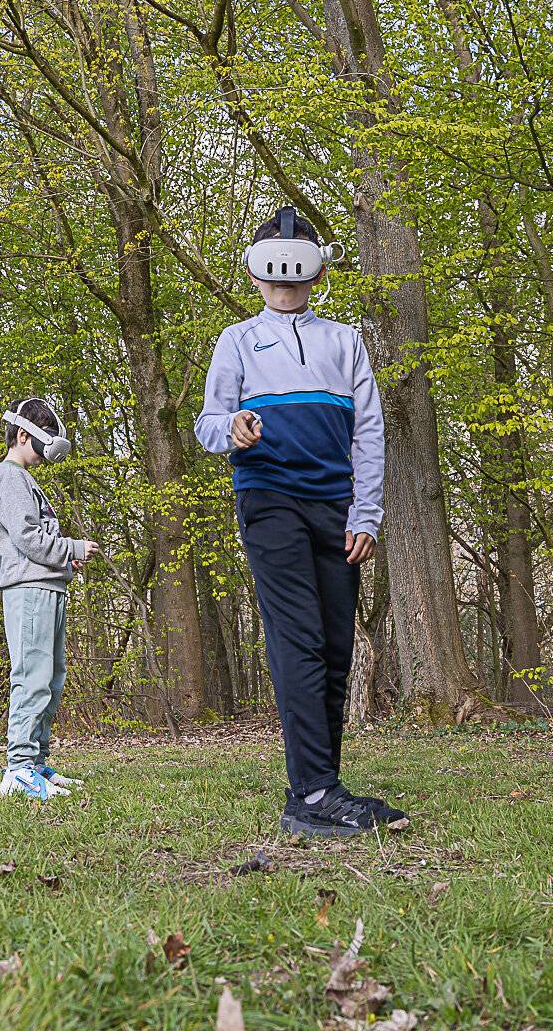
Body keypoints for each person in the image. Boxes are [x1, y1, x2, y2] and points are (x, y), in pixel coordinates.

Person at [196, 208, 406, 837]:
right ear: (258, 273)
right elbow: (208, 423)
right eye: (274, 268)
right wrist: (231, 429)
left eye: (297, 266)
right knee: (300, 640)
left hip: (337, 508)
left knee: (337, 645)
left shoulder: (345, 341)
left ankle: (322, 788)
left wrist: (366, 512)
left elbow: (368, 431)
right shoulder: (236, 341)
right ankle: (311, 793)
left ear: (315, 270)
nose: (285, 281)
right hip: (270, 500)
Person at [0, 396, 98, 801]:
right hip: (28, 590)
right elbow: (28, 539)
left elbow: (37, 541)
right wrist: (72, 548)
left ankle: (35, 764)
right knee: (31, 678)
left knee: (51, 679)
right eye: (43, 441)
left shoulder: (26, 480)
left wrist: (65, 561)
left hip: (47, 587)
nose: (48, 451)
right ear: (21, 435)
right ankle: (17, 769)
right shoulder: (9, 478)